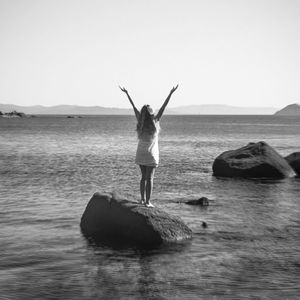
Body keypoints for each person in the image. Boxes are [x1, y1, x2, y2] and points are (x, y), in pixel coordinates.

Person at [119, 85, 179, 207]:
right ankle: (147, 202)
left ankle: (142, 199)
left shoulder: (140, 120)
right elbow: (164, 106)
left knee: (143, 178)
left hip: (141, 152)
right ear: (152, 112)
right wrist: (171, 93)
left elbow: (133, 106)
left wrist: (127, 93)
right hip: (151, 154)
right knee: (150, 178)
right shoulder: (155, 121)